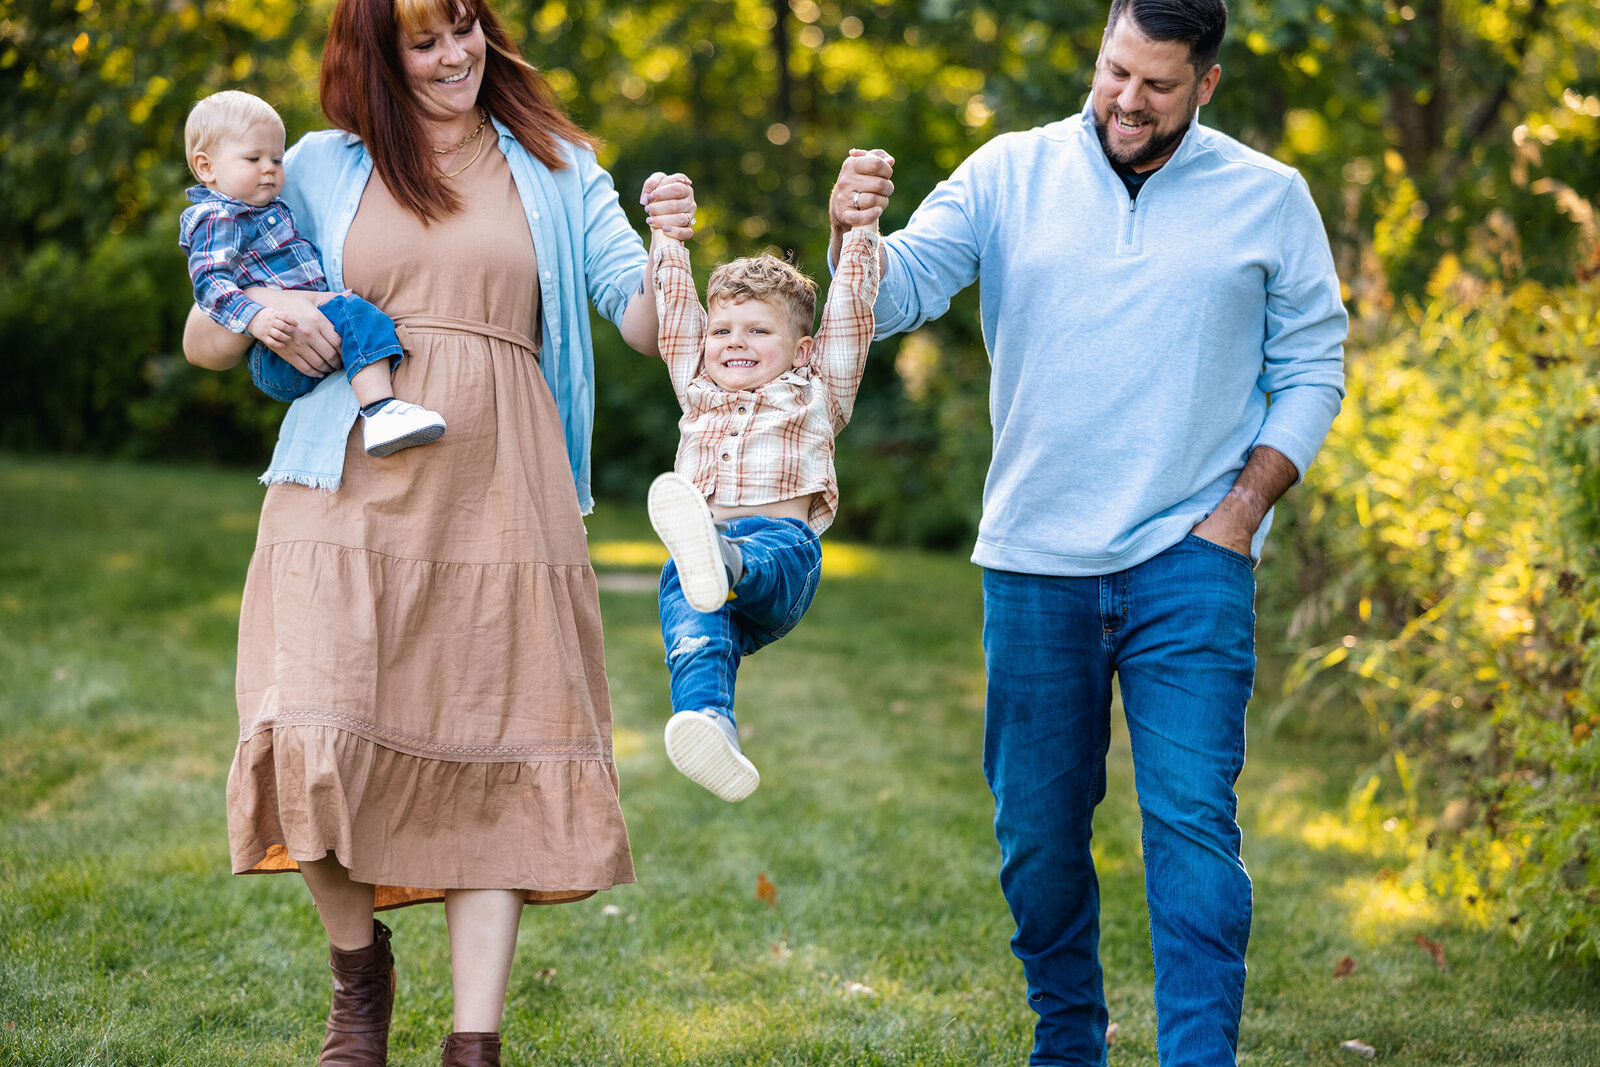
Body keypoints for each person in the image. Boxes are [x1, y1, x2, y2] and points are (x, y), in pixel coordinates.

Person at [829, 0, 1347, 1062]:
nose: (1125, 99)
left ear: (1204, 85)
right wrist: (852, 234)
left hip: (1189, 559)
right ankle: (1068, 1038)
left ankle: (1199, 1054)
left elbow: (1312, 363)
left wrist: (1240, 513)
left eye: (1156, 85)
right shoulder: (1008, 172)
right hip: (1034, 560)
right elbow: (894, 296)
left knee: (1194, 824)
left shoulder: (1267, 196)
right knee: (1036, 839)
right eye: (1114, 70)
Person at [180, 1, 696, 1063]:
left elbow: (640, 316)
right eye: (424, 40)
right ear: (379, 54)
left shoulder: (554, 165)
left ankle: (474, 1041)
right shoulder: (320, 163)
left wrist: (672, 250)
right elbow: (205, 334)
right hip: (343, 483)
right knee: (307, 718)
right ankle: (358, 971)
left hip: (503, 489)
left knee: (494, 745)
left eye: (463, 28)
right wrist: (256, 314)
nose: (453, 54)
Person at [641, 164, 885, 802]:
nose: (732, 342)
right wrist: (667, 238)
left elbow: (853, 311)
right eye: (721, 331)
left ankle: (724, 561)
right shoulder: (697, 389)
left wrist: (860, 231)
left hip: (780, 553)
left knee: (742, 563)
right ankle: (712, 724)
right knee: (695, 635)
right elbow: (674, 312)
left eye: (757, 330)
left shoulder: (815, 390)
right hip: (707, 564)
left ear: (802, 349)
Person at [179, 89, 448, 457]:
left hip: (302, 340)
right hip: (278, 350)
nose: (270, 168)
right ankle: (381, 410)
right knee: (356, 313)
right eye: (253, 158)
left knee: (351, 314)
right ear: (206, 166)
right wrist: (256, 317)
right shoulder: (217, 217)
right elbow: (209, 283)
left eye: (276, 158)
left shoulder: (268, 208)